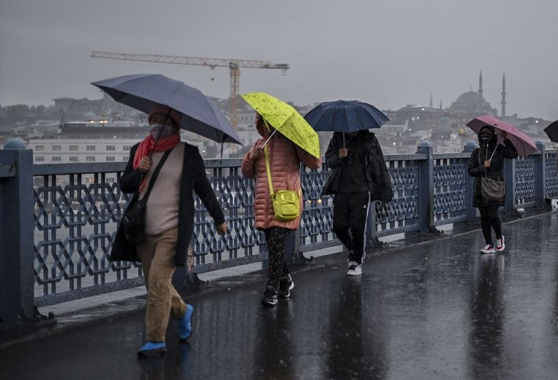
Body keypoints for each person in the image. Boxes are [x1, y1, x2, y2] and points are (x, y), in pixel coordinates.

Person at [116, 106, 228, 358]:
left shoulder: (188, 154)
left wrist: (218, 218)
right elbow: (125, 185)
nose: (157, 125)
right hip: (144, 230)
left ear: (175, 127)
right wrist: (140, 170)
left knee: (158, 282)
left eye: (163, 121)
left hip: (173, 230)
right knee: (155, 285)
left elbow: (203, 188)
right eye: (154, 120)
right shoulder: (140, 151)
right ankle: (182, 310)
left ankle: (155, 340)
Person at [242, 113, 321, 306]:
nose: (270, 127)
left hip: (285, 202)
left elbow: (314, 163)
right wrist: (251, 158)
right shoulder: (259, 145)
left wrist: (305, 148)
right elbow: (247, 172)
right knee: (273, 248)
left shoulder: (292, 144)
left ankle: (271, 291)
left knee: (277, 247)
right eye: (266, 123)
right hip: (264, 202)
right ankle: (285, 281)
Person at [322, 130, 392, 276]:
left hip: (362, 189)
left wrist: (382, 189)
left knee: (357, 227)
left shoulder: (369, 139)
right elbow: (328, 161)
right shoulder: (338, 138)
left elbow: (378, 164)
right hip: (341, 188)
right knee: (338, 227)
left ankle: (356, 262)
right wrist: (339, 157)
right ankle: (354, 249)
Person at [467, 126, 519, 253]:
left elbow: (513, 154)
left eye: (487, 136)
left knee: (492, 215)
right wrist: (482, 168)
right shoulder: (476, 153)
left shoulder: (499, 150)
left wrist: (506, 139)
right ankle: (488, 244)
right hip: (480, 188)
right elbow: (470, 170)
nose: (485, 139)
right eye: (483, 136)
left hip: (494, 188)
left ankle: (499, 238)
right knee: (484, 217)